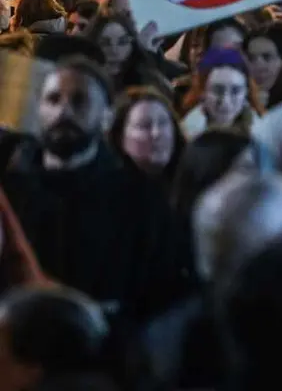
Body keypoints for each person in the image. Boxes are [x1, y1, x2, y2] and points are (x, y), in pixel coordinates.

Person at [3, 60, 188, 320]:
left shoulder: (140, 200)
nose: (64, 111)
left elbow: (161, 297)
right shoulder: (12, 192)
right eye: (53, 100)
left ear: (106, 116)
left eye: (79, 101)